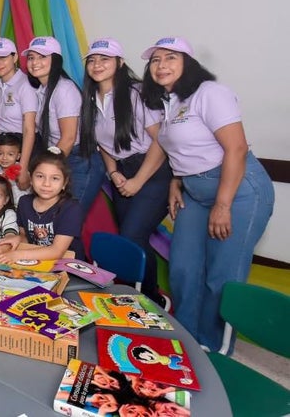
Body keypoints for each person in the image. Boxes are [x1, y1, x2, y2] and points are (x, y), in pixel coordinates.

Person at [141, 37, 274, 351]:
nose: (161, 65)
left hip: (238, 191)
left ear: (188, 63)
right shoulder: (170, 102)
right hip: (195, 193)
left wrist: (223, 205)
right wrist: (177, 180)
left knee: (222, 276)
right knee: (183, 268)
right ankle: (187, 342)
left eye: (170, 58)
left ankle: (215, 349)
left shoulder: (210, 93)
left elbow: (236, 149)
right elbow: (184, 149)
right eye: (155, 60)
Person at [80, 38, 171, 308]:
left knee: (133, 235)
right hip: (122, 171)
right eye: (92, 60)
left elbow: (161, 142)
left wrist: (138, 181)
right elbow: (105, 144)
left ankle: (153, 299)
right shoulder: (90, 99)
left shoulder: (137, 93)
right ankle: (133, 295)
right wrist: (113, 172)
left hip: (153, 170)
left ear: (120, 63)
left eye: (104, 59)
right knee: (129, 239)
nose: (97, 65)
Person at [24, 36, 105, 214]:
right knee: (54, 218)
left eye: (42, 57)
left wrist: (46, 170)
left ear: (55, 60)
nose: (35, 62)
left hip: (79, 159)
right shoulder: (42, 90)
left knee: (67, 218)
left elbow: (68, 138)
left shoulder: (64, 89)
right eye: (31, 57)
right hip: (60, 156)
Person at [0, 148, 85, 263]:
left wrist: (17, 255)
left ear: (64, 183)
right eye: (40, 176)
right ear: (31, 178)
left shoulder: (71, 208)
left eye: (55, 178)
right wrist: (17, 239)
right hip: (36, 262)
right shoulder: (24, 202)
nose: (46, 184)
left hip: (67, 266)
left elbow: (57, 251)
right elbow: (26, 237)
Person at [0, 38, 37, 191]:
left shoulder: (26, 85)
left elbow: (29, 129)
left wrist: (23, 167)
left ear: (15, 57)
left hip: (22, 147)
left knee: (20, 193)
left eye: (2, 58)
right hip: (0, 147)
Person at [0, 133, 30, 205]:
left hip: (20, 205)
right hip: (0, 205)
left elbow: (28, 187)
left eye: (10, 154)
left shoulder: (21, 171)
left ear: (18, 156)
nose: (4, 158)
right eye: (0, 154)